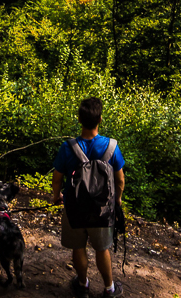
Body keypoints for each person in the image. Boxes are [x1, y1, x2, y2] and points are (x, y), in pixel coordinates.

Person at [51, 97, 125, 298]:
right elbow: (120, 181)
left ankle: (82, 285)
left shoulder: (68, 147)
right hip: (102, 209)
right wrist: (116, 202)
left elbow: (57, 178)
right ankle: (109, 289)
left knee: (78, 247)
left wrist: (56, 197)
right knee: (102, 249)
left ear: (79, 119)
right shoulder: (111, 147)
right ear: (100, 119)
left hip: (74, 206)